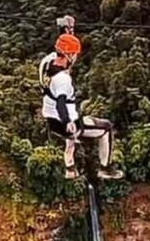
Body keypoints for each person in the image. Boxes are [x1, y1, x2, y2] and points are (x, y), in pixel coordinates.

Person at [40, 33, 124, 180]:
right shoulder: (63, 80)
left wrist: (67, 32)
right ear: (69, 55)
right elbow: (61, 103)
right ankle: (105, 168)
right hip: (66, 123)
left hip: (51, 120)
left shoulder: (48, 63)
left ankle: (70, 168)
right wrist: (68, 122)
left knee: (75, 132)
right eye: (75, 55)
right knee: (106, 128)